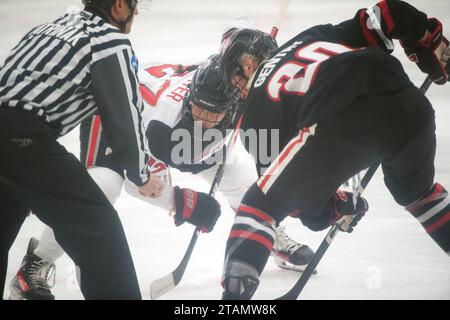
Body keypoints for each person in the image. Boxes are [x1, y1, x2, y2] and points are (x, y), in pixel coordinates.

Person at [8, 54, 314, 299]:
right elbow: (137, 178)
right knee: (100, 188)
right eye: (199, 109)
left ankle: (267, 235)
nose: (204, 118)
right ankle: (35, 264)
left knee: (241, 180)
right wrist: (180, 201)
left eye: (215, 113)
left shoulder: (236, 93)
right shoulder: (161, 120)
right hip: (120, 122)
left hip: (184, 138)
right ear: (190, 97)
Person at [219, 0, 450, 299]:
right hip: (409, 106)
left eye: (237, 76)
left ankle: (233, 301)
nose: (237, 86)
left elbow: (296, 200)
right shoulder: (312, 36)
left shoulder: (253, 116)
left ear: (248, 66)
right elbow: (386, 14)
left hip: (339, 125)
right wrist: (429, 40)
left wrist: (335, 208)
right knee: (418, 194)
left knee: (261, 203)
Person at [0, 0, 163, 300]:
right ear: (117, 6)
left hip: (12, 136)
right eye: (134, 4)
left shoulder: (49, 28)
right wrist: (141, 175)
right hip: (24, 138)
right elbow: (125, 121)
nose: (136, 12)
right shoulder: (109, 41)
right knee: (99, 230)